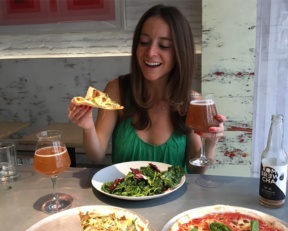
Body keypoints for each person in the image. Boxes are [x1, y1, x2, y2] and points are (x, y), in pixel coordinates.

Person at [68, 4, 226, 174]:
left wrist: (211, 142)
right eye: (144, 42)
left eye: (164, 46)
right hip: (124, 197)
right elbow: (96, 156)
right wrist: (88, 127)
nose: (150, 52)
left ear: (180, 52)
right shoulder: (117, 90)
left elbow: (196, 171)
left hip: (173, 199)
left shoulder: (192, 100)